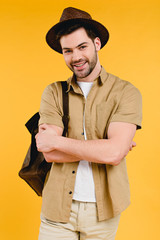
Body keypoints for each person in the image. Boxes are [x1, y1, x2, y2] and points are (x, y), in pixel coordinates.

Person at [35, 7, 142, 240]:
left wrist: (57, 141)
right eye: (68, 51)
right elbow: (49, 154)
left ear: (96, 44)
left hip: (104, 211)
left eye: (82, 47)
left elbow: (113, 154)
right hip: (57, 210)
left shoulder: (126, 92)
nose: (76, 57)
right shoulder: (53, 92)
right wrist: (106, 148)